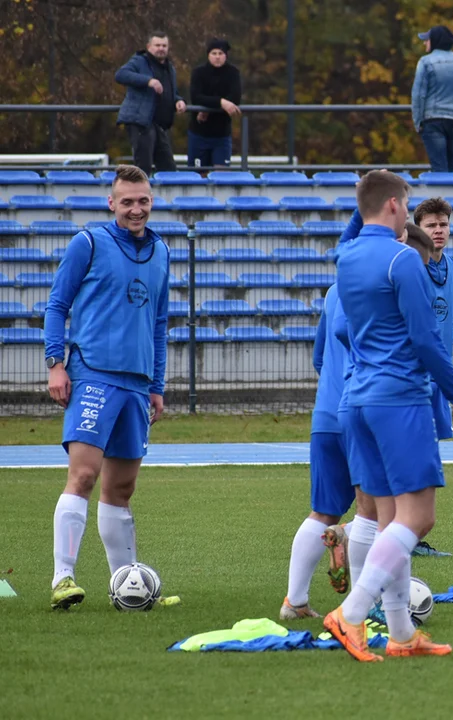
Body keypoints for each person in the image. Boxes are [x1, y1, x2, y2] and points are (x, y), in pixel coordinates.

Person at [324, 171, 453, 662]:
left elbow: (346, 329)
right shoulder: (403, 259)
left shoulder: (346, 256)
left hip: (357, 399)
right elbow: (426, 341)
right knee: (419, 517)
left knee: (390, 518)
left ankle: (401, 633)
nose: (409, 213)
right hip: (399, 399)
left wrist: (366, 196)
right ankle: (350, 614)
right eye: (406, 204)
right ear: (394, 206)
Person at [44, 164, 173, 610]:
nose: (136, 209)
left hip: (137, 385)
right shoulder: (89, 242)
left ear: (150, 202)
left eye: (143, 201)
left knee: (121, 490)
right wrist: (55, 364)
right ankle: (63, 578)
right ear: (112, 203)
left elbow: (158, 323)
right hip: (94, 373)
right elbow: (57, 304)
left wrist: (156, 385)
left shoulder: (161, 250)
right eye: (128, 201)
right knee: (83, 475)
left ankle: (127, 583)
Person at [280, 276, 361, 620]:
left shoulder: (333, 291)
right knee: (390, 513)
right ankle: (371, 605)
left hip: (326, 414)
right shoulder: (387, 285)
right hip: (367, 412)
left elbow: (319, 358)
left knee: (322, 511)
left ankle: (294, 602)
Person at [114, 32, 186, 178]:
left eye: (164, 45)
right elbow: (121, 75)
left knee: (168, 167)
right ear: (148, 47)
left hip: (160, 125)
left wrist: (178, 100)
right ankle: (138, 198)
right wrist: (148, 81)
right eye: (157, 45)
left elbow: (170, 91)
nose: (161, 48)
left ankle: (167, 199)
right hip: (141, 122)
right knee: (143, 166)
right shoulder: (140, 61)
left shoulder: (169, 68)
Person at [412, 26, 453, 173]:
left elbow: (418, 94)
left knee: (439, 166)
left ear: (435, 41)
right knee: (452, 167)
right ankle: (452, 196)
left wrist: (417, 120)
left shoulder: (426, 62)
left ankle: (440, 197)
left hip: (433, 119)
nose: (425, 43)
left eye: (427, 40)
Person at [187, 38, 242, 170]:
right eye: (214, 53)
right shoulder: (199, 72)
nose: (217, 57)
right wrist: (221, 102)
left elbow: (234, 98)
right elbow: (196, 97)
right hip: (199, 133)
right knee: (198, 175)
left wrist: (208, 109)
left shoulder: (233, 73)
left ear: (226, 56)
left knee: (221, 175)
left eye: (220, 53)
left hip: (221, 134)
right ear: (208, 55)